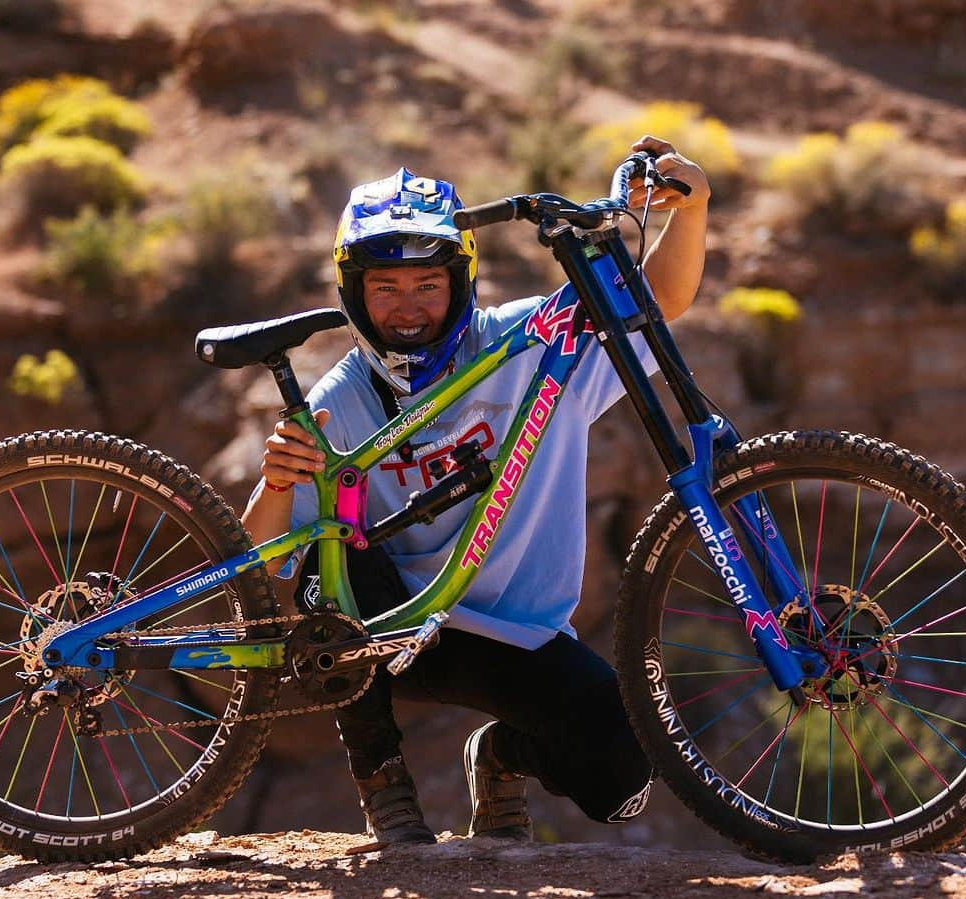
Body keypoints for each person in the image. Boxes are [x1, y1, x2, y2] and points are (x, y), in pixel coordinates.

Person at [242, 136, 711, 844]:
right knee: (330, 572)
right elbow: (261, 557)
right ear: (353, 294)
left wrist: (694, 206)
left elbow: (662, 298)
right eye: (386, 287)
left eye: (428, 285)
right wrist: (278, 482)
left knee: (624, 775)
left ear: (459, 284)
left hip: (516, 637)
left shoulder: (528, 344)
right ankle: (384, 786)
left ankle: (499, 759)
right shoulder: (344, 396)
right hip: (394, 633)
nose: (408, 308)